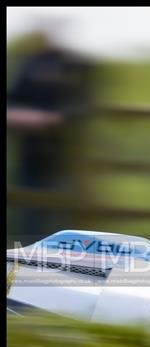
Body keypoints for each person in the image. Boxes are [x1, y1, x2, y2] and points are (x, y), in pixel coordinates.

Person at [7, 29, 93, 239]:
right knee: (30, 212)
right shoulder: (30, 64)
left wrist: (55, 118)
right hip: (33, 151)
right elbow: (15, 96)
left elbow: (81, 103)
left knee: (60, 214)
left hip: (64, 156)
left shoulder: (74, 66)